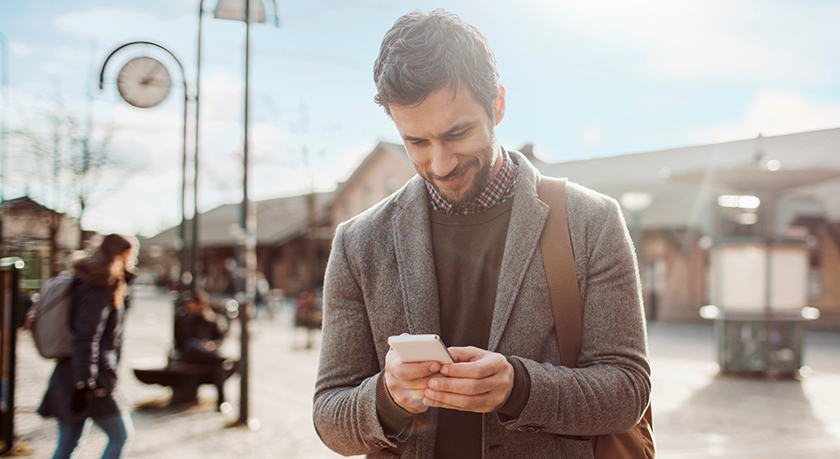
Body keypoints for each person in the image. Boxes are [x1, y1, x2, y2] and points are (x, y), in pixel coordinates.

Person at [313, 9, 651, 458]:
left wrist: (519, 387)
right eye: (416, 142)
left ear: (498, 106)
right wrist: (389, 397)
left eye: (457, 133)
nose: (441, 162)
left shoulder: (592, 221)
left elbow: (628, 391)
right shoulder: (358, 243)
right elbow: (328, 418)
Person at [38, 234, 138, 459]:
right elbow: (87, 336)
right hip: (91, 378)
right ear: (122, 254)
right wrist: (84, 384)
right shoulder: (100, 285)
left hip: (69, 373)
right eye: (132, 254)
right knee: (120, 436)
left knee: (68, 445)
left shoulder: (85, 279)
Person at [174, 288, 231, 413]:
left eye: (194, 303)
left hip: (208, 357)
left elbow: (219, 339)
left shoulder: (210, 319)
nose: (190, 306)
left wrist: (211, 345)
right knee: (193, 345)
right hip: (189, 355)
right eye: (189, 303)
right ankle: (220, 359)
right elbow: (180, 342)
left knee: (218, 365)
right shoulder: (183, 319)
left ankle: (221, 401)